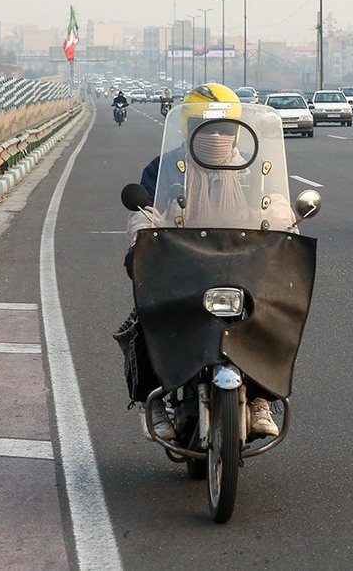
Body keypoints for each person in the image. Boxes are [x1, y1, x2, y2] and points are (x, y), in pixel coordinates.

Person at [121, 83, 287, 441]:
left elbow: (275, 204)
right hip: (184, 264)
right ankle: (159, 399)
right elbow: (145, 211)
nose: (216, 135)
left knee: (271, 314)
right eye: (206, 126)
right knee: (153, 317)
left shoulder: (254, 167)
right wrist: (142, 239)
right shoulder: (164, 168)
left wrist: (282, 227)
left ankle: (261, 398)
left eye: (225, 128)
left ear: (239, 129)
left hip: (242, 263)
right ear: (188, 127)